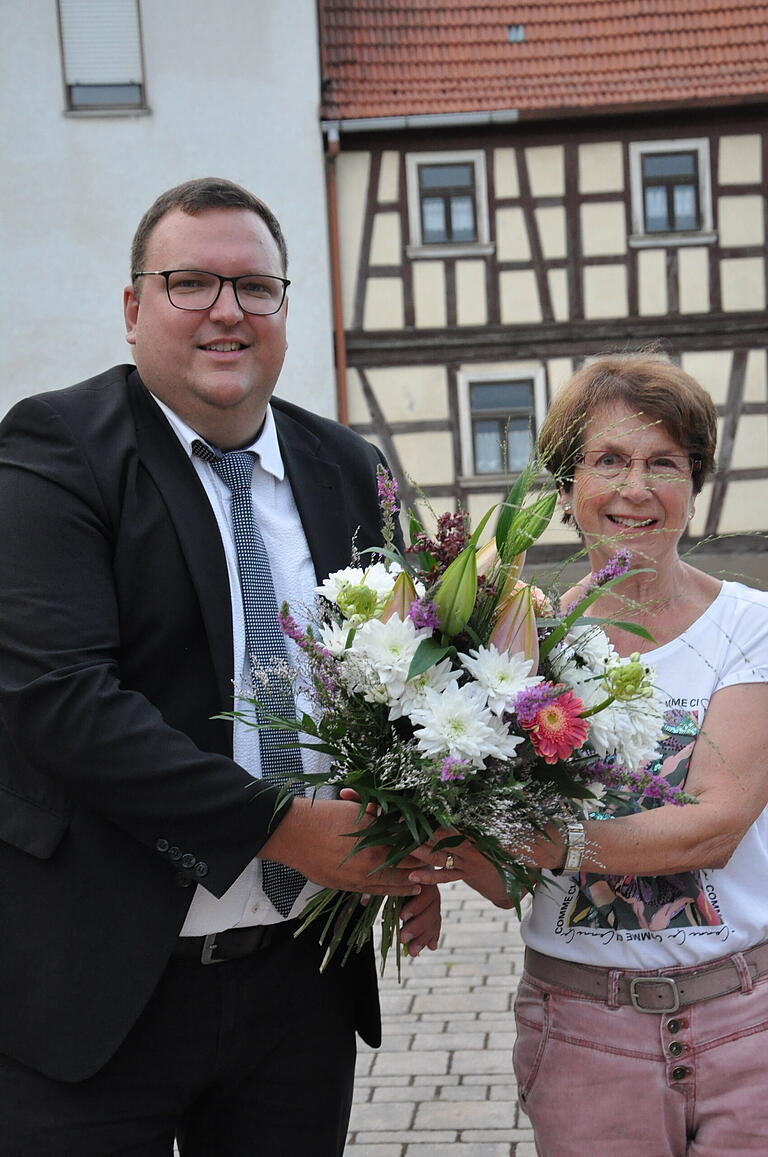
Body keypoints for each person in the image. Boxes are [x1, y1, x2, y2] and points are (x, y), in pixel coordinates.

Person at [0, 177, 440, 1157]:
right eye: (190, 282)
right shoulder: (56, 451)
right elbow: (62, 702)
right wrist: (285, 827)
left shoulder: (347, 469)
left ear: (286, 309)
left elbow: (401, 687)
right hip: (99, 984)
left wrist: (414, 839)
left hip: (297, 987)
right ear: (132, 308)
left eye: (255, 287)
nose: (227, 311)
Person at [410, 352, 768, 1155]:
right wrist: (427, 838)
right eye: (607, 460)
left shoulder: (751, 625)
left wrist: (552, 843)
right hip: (583, 1031)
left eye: (662, 463)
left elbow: (715, 826)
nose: (634, 488)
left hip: (746, 1025)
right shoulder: (517, 644)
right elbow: (508, 885)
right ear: (566, 489)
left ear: (694, 487)